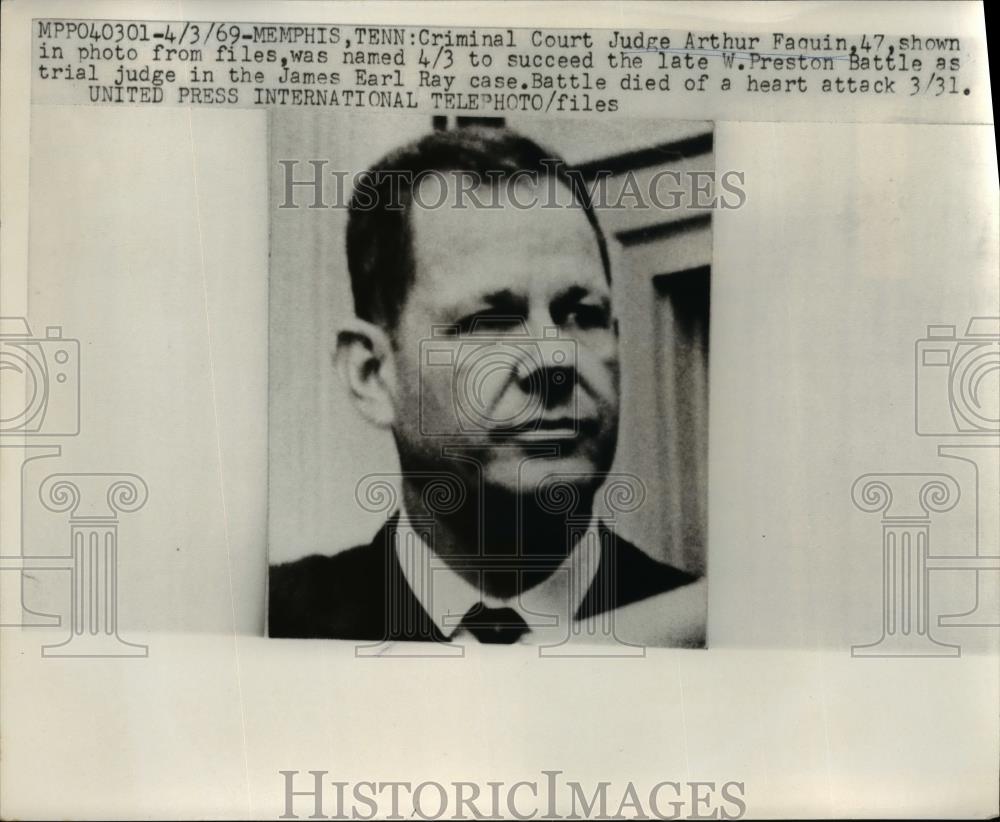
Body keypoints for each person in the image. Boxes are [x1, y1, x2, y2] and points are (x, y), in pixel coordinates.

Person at [268, 126, 702, 646]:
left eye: (582, 315)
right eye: (489, 322)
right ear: (372, 375)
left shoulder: (714, 638)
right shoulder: (271, 630)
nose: (554, 360)